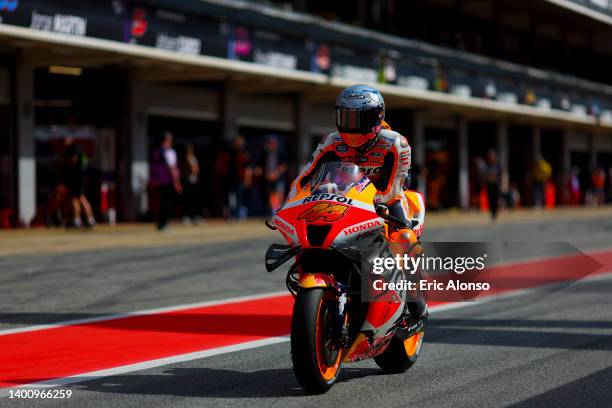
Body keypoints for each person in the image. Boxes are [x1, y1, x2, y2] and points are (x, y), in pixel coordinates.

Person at [284, 84, 427, 322]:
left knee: (404, 237)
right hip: (342, 199)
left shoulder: (396, 143)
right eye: (346, 117)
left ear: (378, 116)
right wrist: (289, 204)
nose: (352, 126)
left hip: (385, 201)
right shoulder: (331, 141)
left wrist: (374, 203)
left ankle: (415, 297)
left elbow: (393, 187)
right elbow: (304, 178)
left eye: (360, 118)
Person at [150, 132, 182, 230]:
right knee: (166, 203)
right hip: (167, 180)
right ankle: (164, 223)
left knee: (160, 203)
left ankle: (160, 223)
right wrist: (177, 182)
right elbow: (172, 168)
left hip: (158, 181)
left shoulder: (156, 151)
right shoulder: (169, 152)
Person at [62, 138, 96, 229]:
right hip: (81, 178)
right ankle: (88, 220)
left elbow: (73, 161)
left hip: (77, 178)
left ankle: (78, 220)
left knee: (77, 199)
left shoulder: (73, 150)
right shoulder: (79, 149)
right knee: (80, 199)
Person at [256, 135, 287, 216]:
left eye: (271, 143)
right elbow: (259, 166)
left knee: (279, 194)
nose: (270, 145)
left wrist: (276, 172)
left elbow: (284, 165)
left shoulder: (280, 153)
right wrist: (262, 172)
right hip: (267, 178)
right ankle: (273, 212)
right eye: (268, 143)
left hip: (278, 177)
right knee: (271, 195)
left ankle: (281, 212)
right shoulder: (264, 153)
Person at [228, 135, 251, 220]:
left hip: (241, 178)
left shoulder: (245, 153)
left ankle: (238, 215)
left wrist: (247, 178)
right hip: (232, 178)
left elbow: (248, 168)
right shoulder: (232, 152)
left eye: (239, 141)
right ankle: (232, 214)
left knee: (239, 197)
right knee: (232, 197)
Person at [180, 144, 202, 224]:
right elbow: (186, 170)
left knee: (195, 200)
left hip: (194, 181)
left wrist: (193, 169)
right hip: (187, 181)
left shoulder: (193, 158)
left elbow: (196, 170)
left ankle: (195, 216)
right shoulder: (184, 159)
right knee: (187, 200)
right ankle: (187, 216)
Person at [484, 149, 501, 220]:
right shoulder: (487, 166)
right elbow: (486, 175)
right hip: (489, 185)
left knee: (495, 199)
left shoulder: (497, 165)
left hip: (496, 185)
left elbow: (500, 175)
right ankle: (492, 213)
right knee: (490, 199)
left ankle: (495, 213)